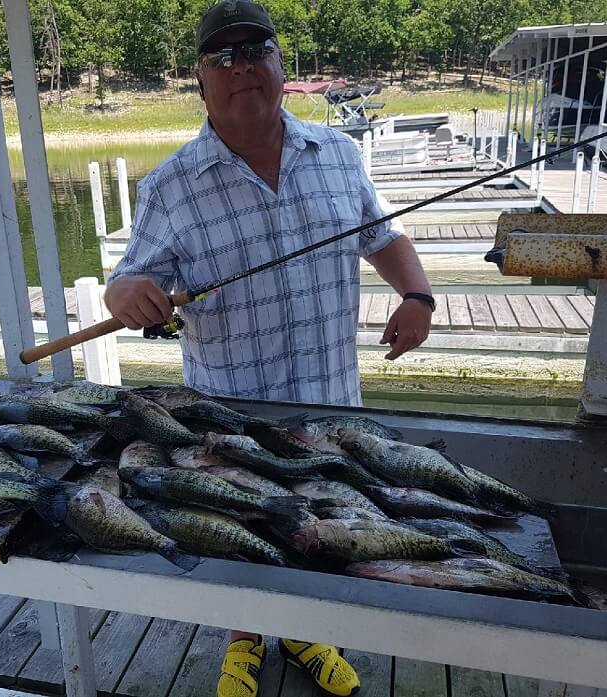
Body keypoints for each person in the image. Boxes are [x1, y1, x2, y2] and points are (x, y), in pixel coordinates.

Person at [104, 2, 433, 695]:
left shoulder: (339, 155)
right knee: (240, 528)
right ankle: (244, 636)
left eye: (257, 49)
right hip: (232, 426)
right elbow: (129, 283)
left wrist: (417, 296)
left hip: (332, 409)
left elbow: (384, 238)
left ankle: (306, 632)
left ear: (283, 66)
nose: (242, 66)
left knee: (319, 530)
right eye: (221, 56)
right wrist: (124, 296)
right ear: (199, 80)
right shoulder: (168, 188)